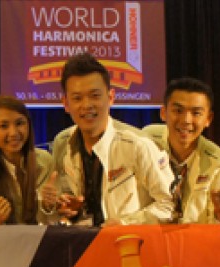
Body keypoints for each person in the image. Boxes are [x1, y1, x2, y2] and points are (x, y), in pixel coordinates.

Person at [51, 52, 175, 226]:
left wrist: (124, 224)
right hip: (82, 247)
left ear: (111, 97)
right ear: (65, 103)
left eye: (95, 95)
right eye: (77, 98)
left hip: (131, 246)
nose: (86, 105)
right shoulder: (63, 143)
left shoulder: (138, 144)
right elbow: (66, 205)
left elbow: (170, 206)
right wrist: (67, 207)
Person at [146, 77, 220, 223]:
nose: (186, 120)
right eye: (178, 110)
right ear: (163, 113)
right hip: (149, 238)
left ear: (208, 119)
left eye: (196, 113)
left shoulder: (218, 162)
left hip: (194, 242)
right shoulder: (147, 143)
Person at [0, 95, 57, 225]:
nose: (13, 133)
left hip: (41, 243)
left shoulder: (44, 161)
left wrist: (47, 207)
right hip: (1, 244)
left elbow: (54, 222)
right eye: (3, 126)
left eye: (20, 123)